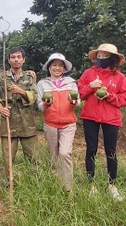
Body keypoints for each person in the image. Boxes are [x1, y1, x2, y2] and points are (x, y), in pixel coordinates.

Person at [78, 43, 126, 201]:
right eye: (99, 56)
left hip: (111, 117)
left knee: (111, 151)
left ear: (112, 58)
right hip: (90, 116)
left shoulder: (119, 77)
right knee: (91, 149)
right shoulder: (88, 73)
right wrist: (90, 86)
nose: (101, 58)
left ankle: (112, 185)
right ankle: (91, 184)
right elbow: (80, 93)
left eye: (105, 56)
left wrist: (109, 96)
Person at [0, 47, 39, 182]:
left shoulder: (29, 77)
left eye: (19, 57)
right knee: (8, 159)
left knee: (34, 157)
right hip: (8, 123)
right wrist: (1, 108)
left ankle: (35, 183)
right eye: (13, 57)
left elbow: (34, 96)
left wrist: (21, 91)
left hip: (27, 124)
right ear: (8, 60)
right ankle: (10, 183)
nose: (16, 59)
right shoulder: (1, 78)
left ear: (23, 60)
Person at [37, 53, 79, 192]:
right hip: (50, 124)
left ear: (64, 68)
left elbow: (77, 101)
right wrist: (45, 105)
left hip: (68, 124)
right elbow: (39, 104)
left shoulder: (71, 83)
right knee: (54, 155)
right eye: (54, 65)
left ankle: (68, 188)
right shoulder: (42, 84)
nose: (57, 68)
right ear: (49, 67)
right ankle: (56, 182)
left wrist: (74, 102)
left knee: (65, 153)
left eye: (60, 65)